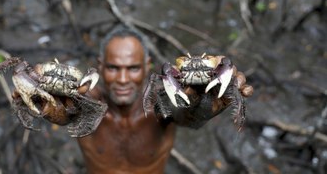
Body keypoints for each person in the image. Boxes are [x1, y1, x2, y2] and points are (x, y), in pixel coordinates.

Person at [13, 25, 253, 173]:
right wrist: (45, 105)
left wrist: (204, 105)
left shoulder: (161, 105)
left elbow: (189, 117)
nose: (123, 78)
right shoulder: (85, 102)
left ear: (147, 67)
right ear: (100, 67)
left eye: (133, 68)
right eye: (114, 68)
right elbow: (66, 113)